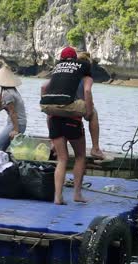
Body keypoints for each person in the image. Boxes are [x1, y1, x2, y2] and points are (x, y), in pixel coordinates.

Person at [40, 46, 94, 204]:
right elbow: (88, 92)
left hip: (54, 118)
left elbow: (43, 87)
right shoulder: (83, 74)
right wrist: (89, 112)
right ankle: (77, 194)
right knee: (80, 157)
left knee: (62, 159)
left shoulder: (57, 71)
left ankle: (58, 196)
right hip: (72, 119)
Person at [75, 52, 109, 161]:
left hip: (66, 103)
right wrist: (90, 109)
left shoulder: (70, 74)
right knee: (94, 113)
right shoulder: (86, 78)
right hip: (77, 104)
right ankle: (95, 148)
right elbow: (87, 92)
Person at [0, 66, 27, 151]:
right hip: (18, 123)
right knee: (1, 149)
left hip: (17, 124)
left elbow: (13, 112)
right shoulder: (12, 91)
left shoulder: (7, 93)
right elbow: (0, 107)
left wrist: (15, 130)